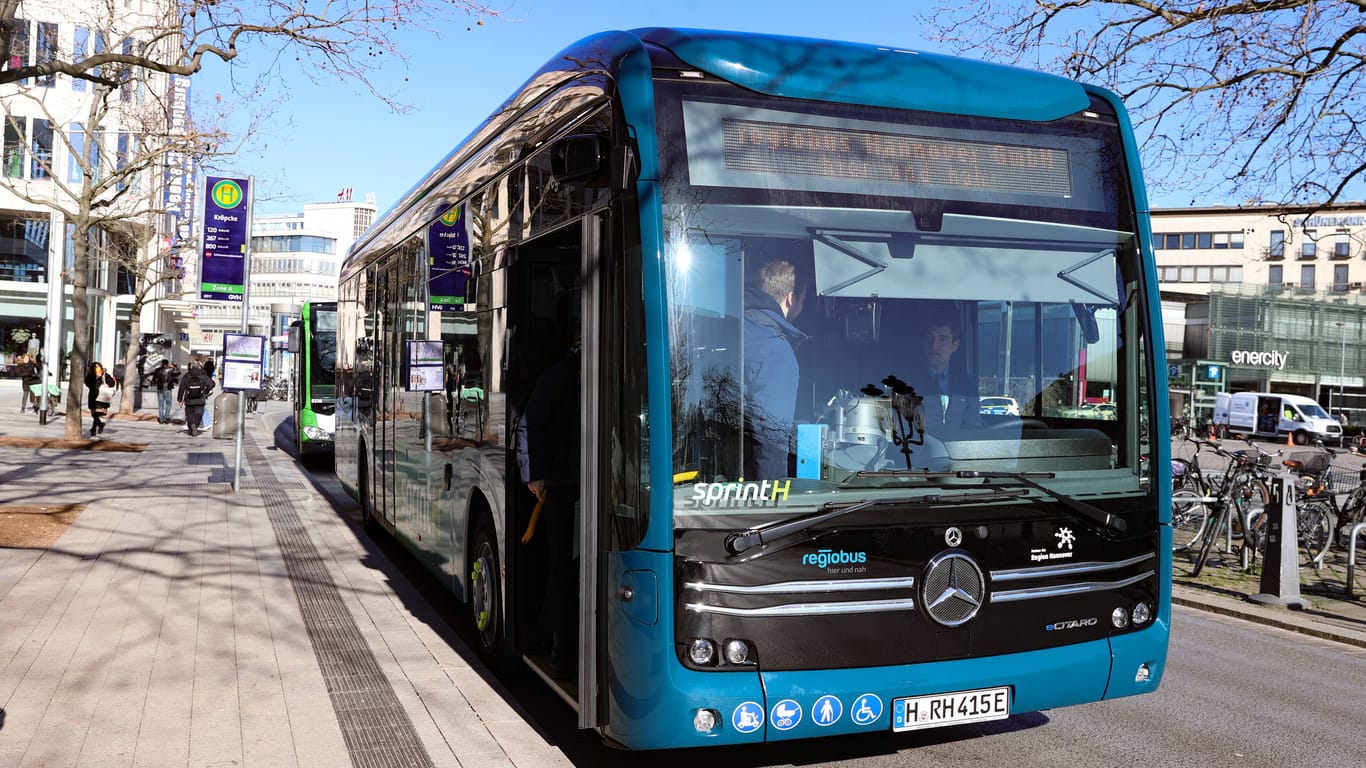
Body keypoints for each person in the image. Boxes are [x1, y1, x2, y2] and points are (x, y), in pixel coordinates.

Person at [515, 334, 580, 677]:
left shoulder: (567, 372)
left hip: (576, 483)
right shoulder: (562, 375)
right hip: (563, 485)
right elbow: (529, 425)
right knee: (562, 567)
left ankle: (560, 642)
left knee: (566, 566)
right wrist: (535, 476)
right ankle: (560, 645)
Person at [742, 259, 808, 479]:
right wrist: (773, 500)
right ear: (791, 299)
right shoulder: (776, 350)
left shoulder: (732, 326)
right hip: (750, 491)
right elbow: (771, 438)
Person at [911, 311, 980, 433]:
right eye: (929, 338)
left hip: (957, 451)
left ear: (955, 345)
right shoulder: (908, 383)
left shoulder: (966, 385)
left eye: (942, 340)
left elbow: (972, 428)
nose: (934, 346)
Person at [177, 361, 215, 437]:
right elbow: (211, 384)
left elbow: (182, 388)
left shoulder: (187, 375)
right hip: (200, 399)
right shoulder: (203, 375)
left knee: (189, 414)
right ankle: (195, 425)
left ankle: (191, 428)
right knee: (198, 414)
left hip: (189, 399)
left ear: (191, 367)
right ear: (199, 367)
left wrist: (180, 399)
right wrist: (205, 391)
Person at [85, 362, 116, 437]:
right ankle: (100, 424)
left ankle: (93, 429)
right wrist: (95, 378)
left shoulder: (104, 375)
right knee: (93, 413)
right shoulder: (90, 375)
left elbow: (111, 383)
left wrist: (102, 377)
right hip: (93, 396)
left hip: (102, 396)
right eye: (95, 367)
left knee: (97, 413)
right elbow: (87, 383)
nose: (97, 369)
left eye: (98, 367)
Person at [152, 359, 176, 424]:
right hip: (168, 388)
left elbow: (153, 379)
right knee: (168, 403)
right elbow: (178, 373)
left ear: (162, 363)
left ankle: (161, 419)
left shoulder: (157, 370)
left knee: (161, 404)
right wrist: (174, 367)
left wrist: (157, 382)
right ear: (167, 364)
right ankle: (166, 417)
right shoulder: (171, 370)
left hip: (160, 388)